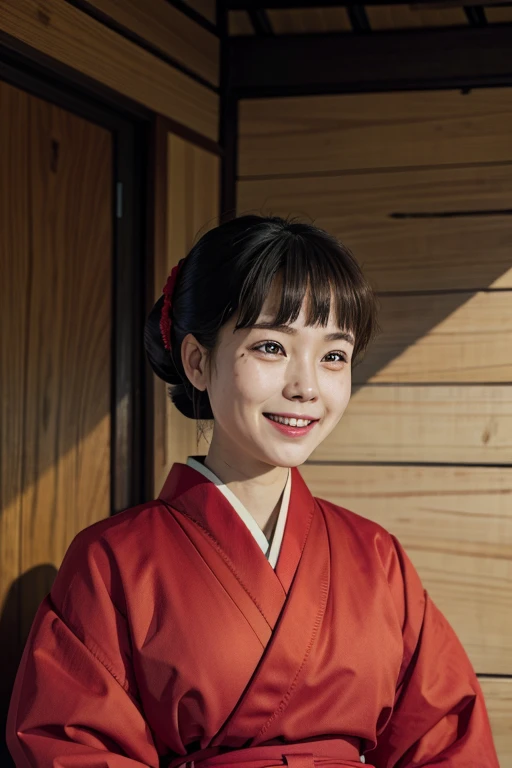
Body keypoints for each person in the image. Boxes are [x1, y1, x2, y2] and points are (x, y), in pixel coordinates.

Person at [6, 215, 499, 768]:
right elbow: (70, 747)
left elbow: (447, 741)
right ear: (197, 361)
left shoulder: (376, 557)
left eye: (333, 355)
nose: (306, 386)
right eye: (271, 347)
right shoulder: (112, 560)